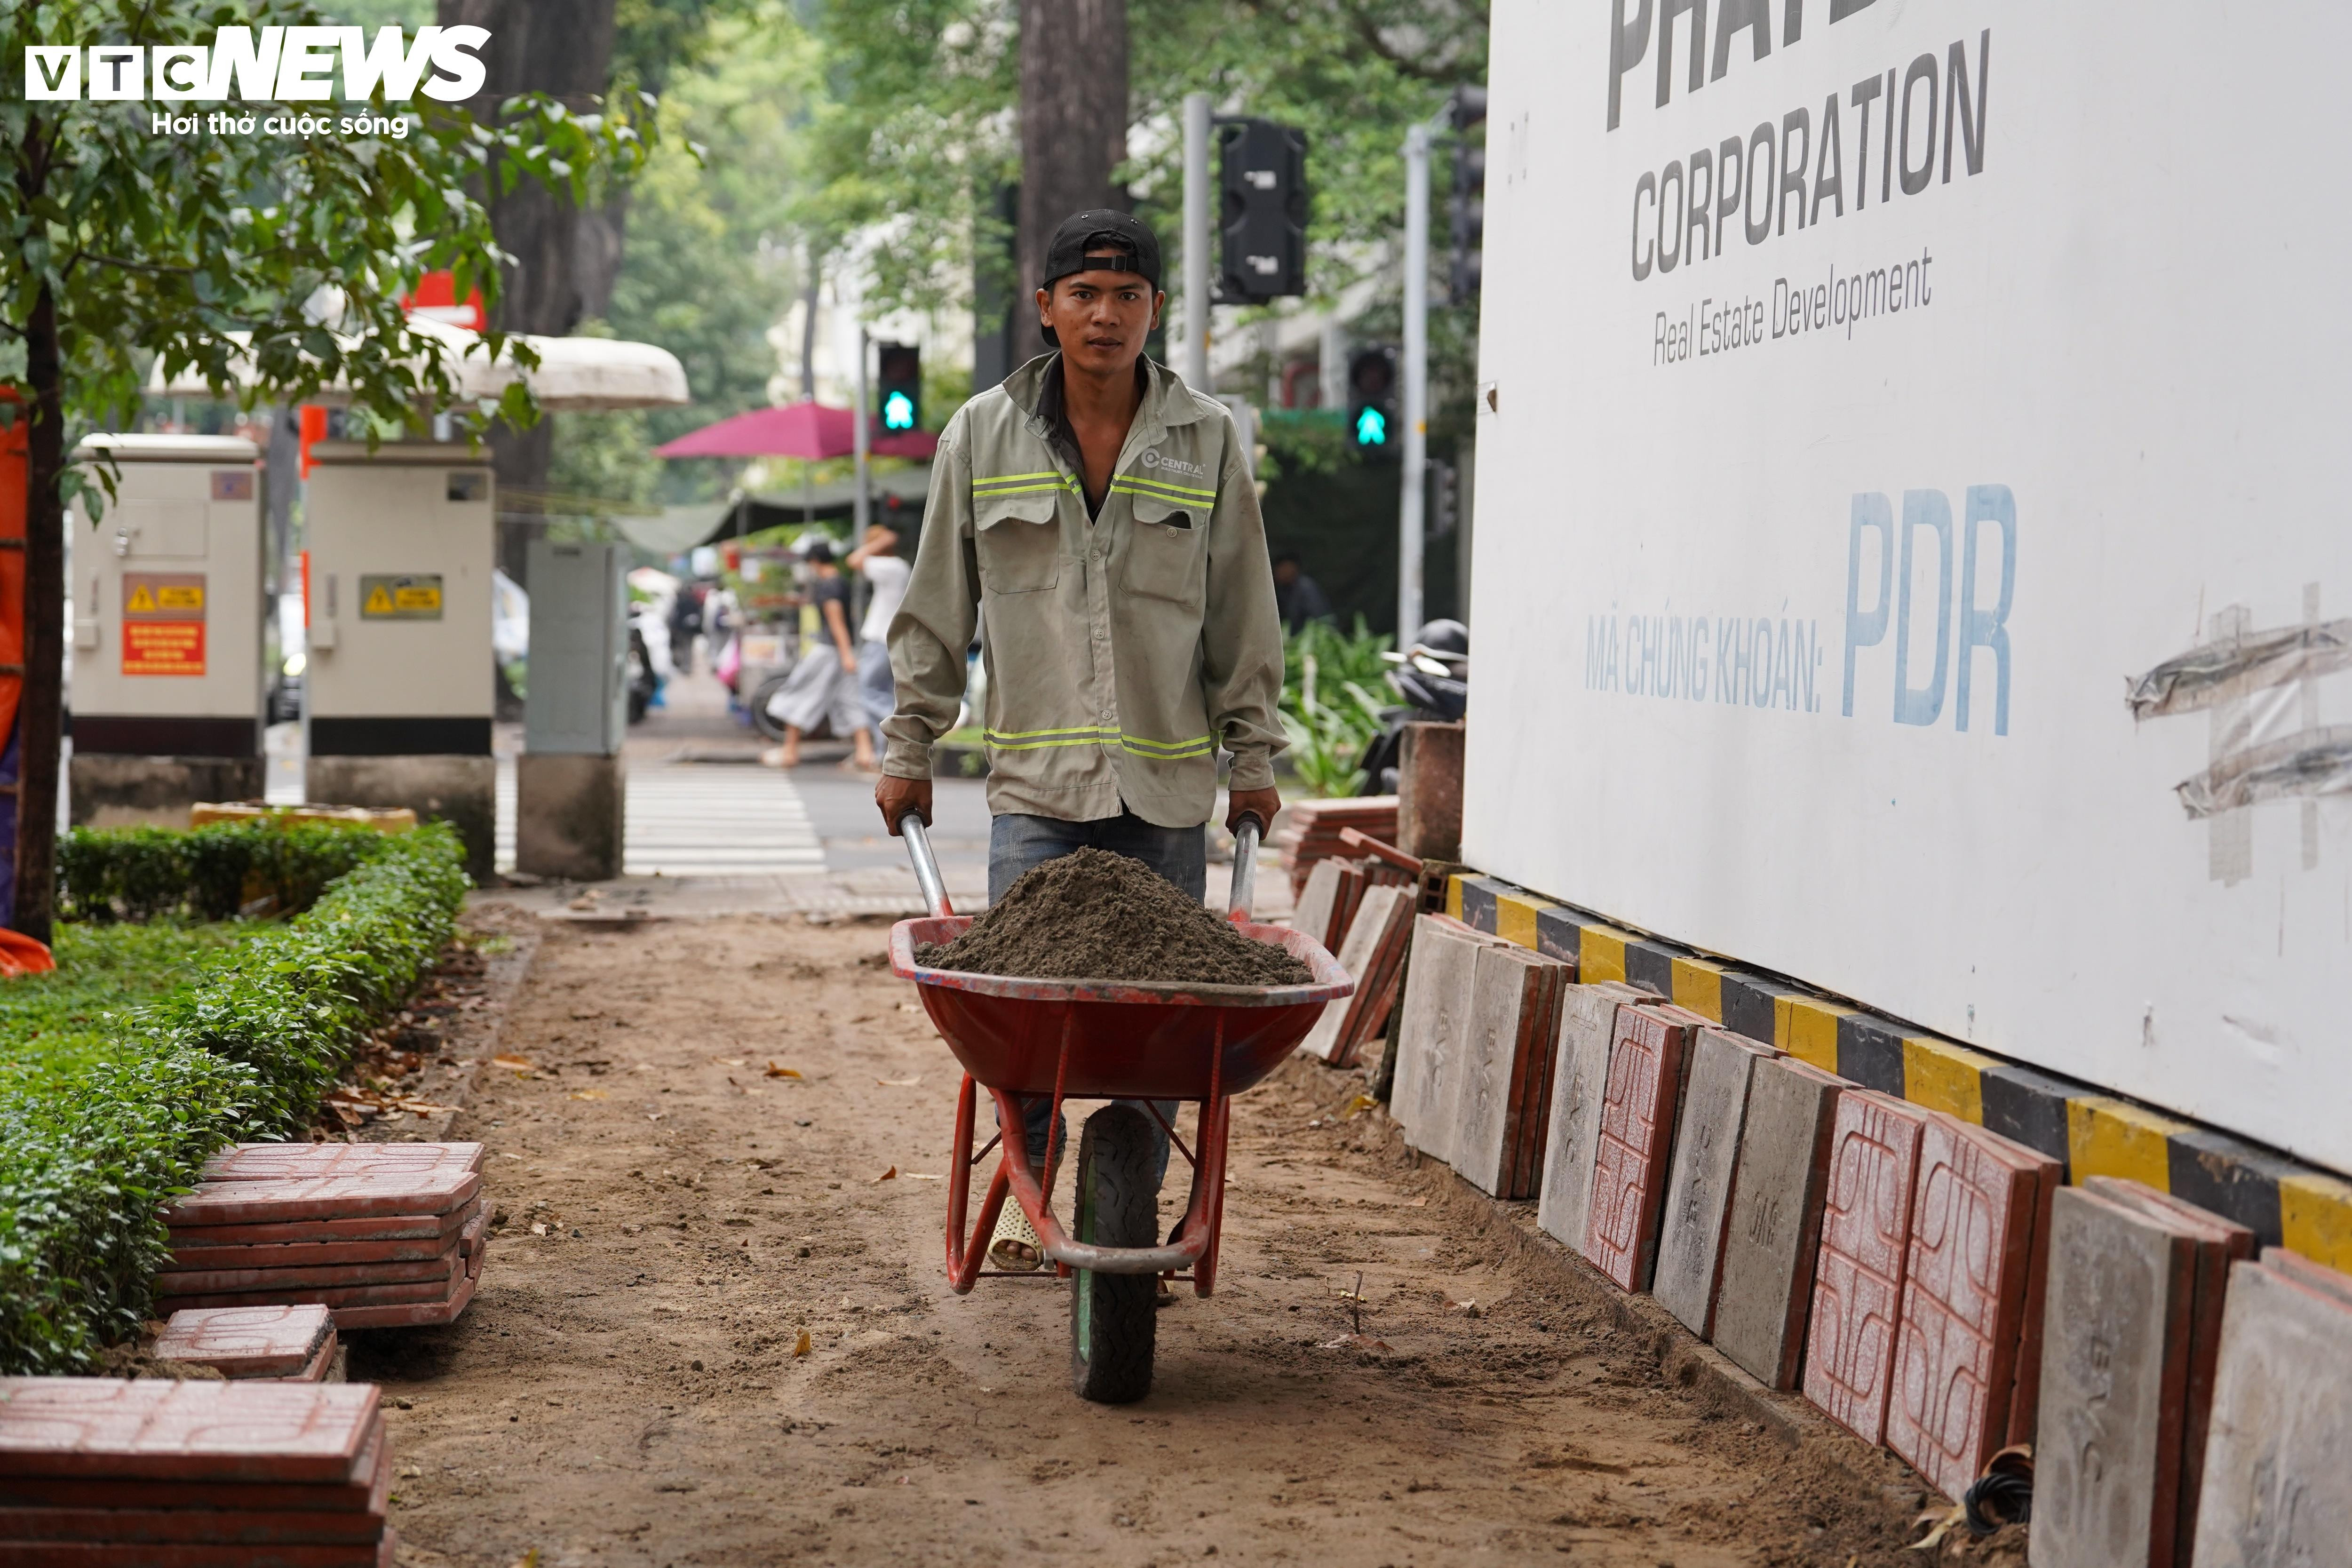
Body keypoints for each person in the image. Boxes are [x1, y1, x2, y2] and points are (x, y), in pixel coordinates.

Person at [872, 209, 1287, 1270]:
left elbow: (1242, 611)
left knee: (1157, 1043)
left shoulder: (1207, 437)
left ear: (1155, 309)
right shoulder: (981, 433)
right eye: (1085, 295)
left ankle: (1126, 1216)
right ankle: (1025, 1208)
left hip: (1162, 799)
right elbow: (937, 604)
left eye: (1129, 295)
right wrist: (909, 742)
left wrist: (1251, 757)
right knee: (1031, 1045)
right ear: (1047, 308)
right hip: (1040, 805)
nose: (1107, 315)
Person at [762, 540, 877, 771]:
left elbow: (836, 621)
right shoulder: (841, 581)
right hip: (844, 649)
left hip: (830, 650)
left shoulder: (828, 584)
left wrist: (845, 654)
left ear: (814, 561)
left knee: (801, 693)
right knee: (850, 699)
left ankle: (790, 751)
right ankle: (865, 753)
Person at [844, 522, 909, 735]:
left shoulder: (889, 567)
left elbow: (854, 560)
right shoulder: (900, 566)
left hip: (880, 639)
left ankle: (899, 728)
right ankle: (886, 750)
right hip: (891, 638)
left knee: (867, 691)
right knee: (885, 692)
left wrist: (879, 542)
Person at [1270, 550, 1332, 633]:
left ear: (1293, 568)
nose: (1278, 572)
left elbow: (1319, 619)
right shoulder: (1282, 589)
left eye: (1283, 568)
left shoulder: (1306, 587)